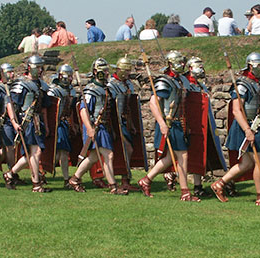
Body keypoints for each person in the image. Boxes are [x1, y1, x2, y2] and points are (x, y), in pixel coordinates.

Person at [210, 52, 260, 208]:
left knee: (246, 163)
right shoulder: (242, 85)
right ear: (250, 66)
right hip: (245, 126)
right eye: (259, 65)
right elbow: (236, 110)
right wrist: (247, 130)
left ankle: (219, 184)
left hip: (254, 124)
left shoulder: (257, 83)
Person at [137, 51, 199, 202]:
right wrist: (162, 123)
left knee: (170, 158)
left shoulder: (181, 79)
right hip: (171, 123)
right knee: (182, 156)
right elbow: (153, 102)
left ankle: (146, 180)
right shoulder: (165, 81)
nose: (182, 65)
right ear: (171, 64)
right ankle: (185, 192)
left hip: (180, 122)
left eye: (182, 62)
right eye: (179, 62)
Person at [66, 58, 128, 195]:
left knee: (94, 157)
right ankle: (113, 186)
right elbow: (83, 110)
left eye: (107, 70)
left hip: (103, 127)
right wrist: (89, 128)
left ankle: (75, 179)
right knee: (108, 155)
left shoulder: (105, 88)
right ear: (96, 72)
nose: (107, 73)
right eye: (104, 71)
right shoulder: (90, 90)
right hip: (95, 126)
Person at [2, 55, 52, 192]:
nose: (41, 70)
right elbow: (10, 104)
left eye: (42, 67)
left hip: (37, 122)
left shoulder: (41, 85)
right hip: (26, 121)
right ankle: (36, 184)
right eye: (38, 67)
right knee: (36, 151)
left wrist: (46, 125)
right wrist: (13, 122)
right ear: (30, 68)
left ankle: (10, 174)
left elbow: (44, 108)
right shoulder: (21, 84)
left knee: (30, 154)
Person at [107, 56, 144, 192]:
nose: (128, 73)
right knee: (125, 149)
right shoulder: (111, 85)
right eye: (125, 70)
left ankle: (125, 179)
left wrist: (132, 124)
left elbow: (129, 106)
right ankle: (122, 179)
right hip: (115, 122)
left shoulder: (128, 84)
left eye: (129, 70)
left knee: (127, 149)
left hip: (125, 121)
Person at [47, 64, 80, 188]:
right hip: (56, 124)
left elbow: (72, 109)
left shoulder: (71, 90)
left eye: (71, 76)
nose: (70, 78)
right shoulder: (53, 90)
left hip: (65, 124)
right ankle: (62, 179)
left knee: (62, 153)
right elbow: (50, 110)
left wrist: (73, 124)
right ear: (61, 76)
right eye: (68, 76)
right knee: (59, 153)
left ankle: (64, 179)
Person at [0, 63, 18, 176]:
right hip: (3, 122)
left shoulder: (11, 87)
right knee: (9, 147)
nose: (12, 74)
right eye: (9, 72)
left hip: (11, 121)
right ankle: (12, 172)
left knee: (8, 149)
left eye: (12, 72)